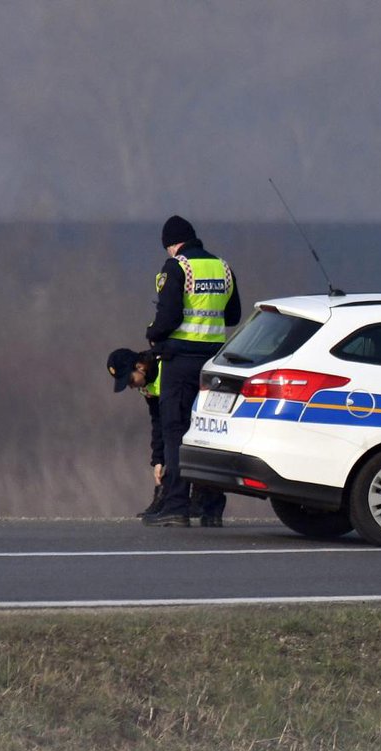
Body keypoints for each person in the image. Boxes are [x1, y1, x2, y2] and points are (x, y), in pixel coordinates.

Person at [142, 216, 241, 527]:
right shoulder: (223, 267)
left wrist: (154, 333)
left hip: (180, 362)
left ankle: (176, 506)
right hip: (214, 364)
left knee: (176, 432)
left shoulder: (176, 267)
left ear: (172, 244)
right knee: (210, 432)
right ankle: (211, 507)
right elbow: (233, 315)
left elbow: (169, 317)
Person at [106, 347, 166, 517]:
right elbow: (158, 422)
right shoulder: (147, 386)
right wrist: (158, 460)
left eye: (130, 380)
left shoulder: (166, 368)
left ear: (140, 366)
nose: (131, 386)